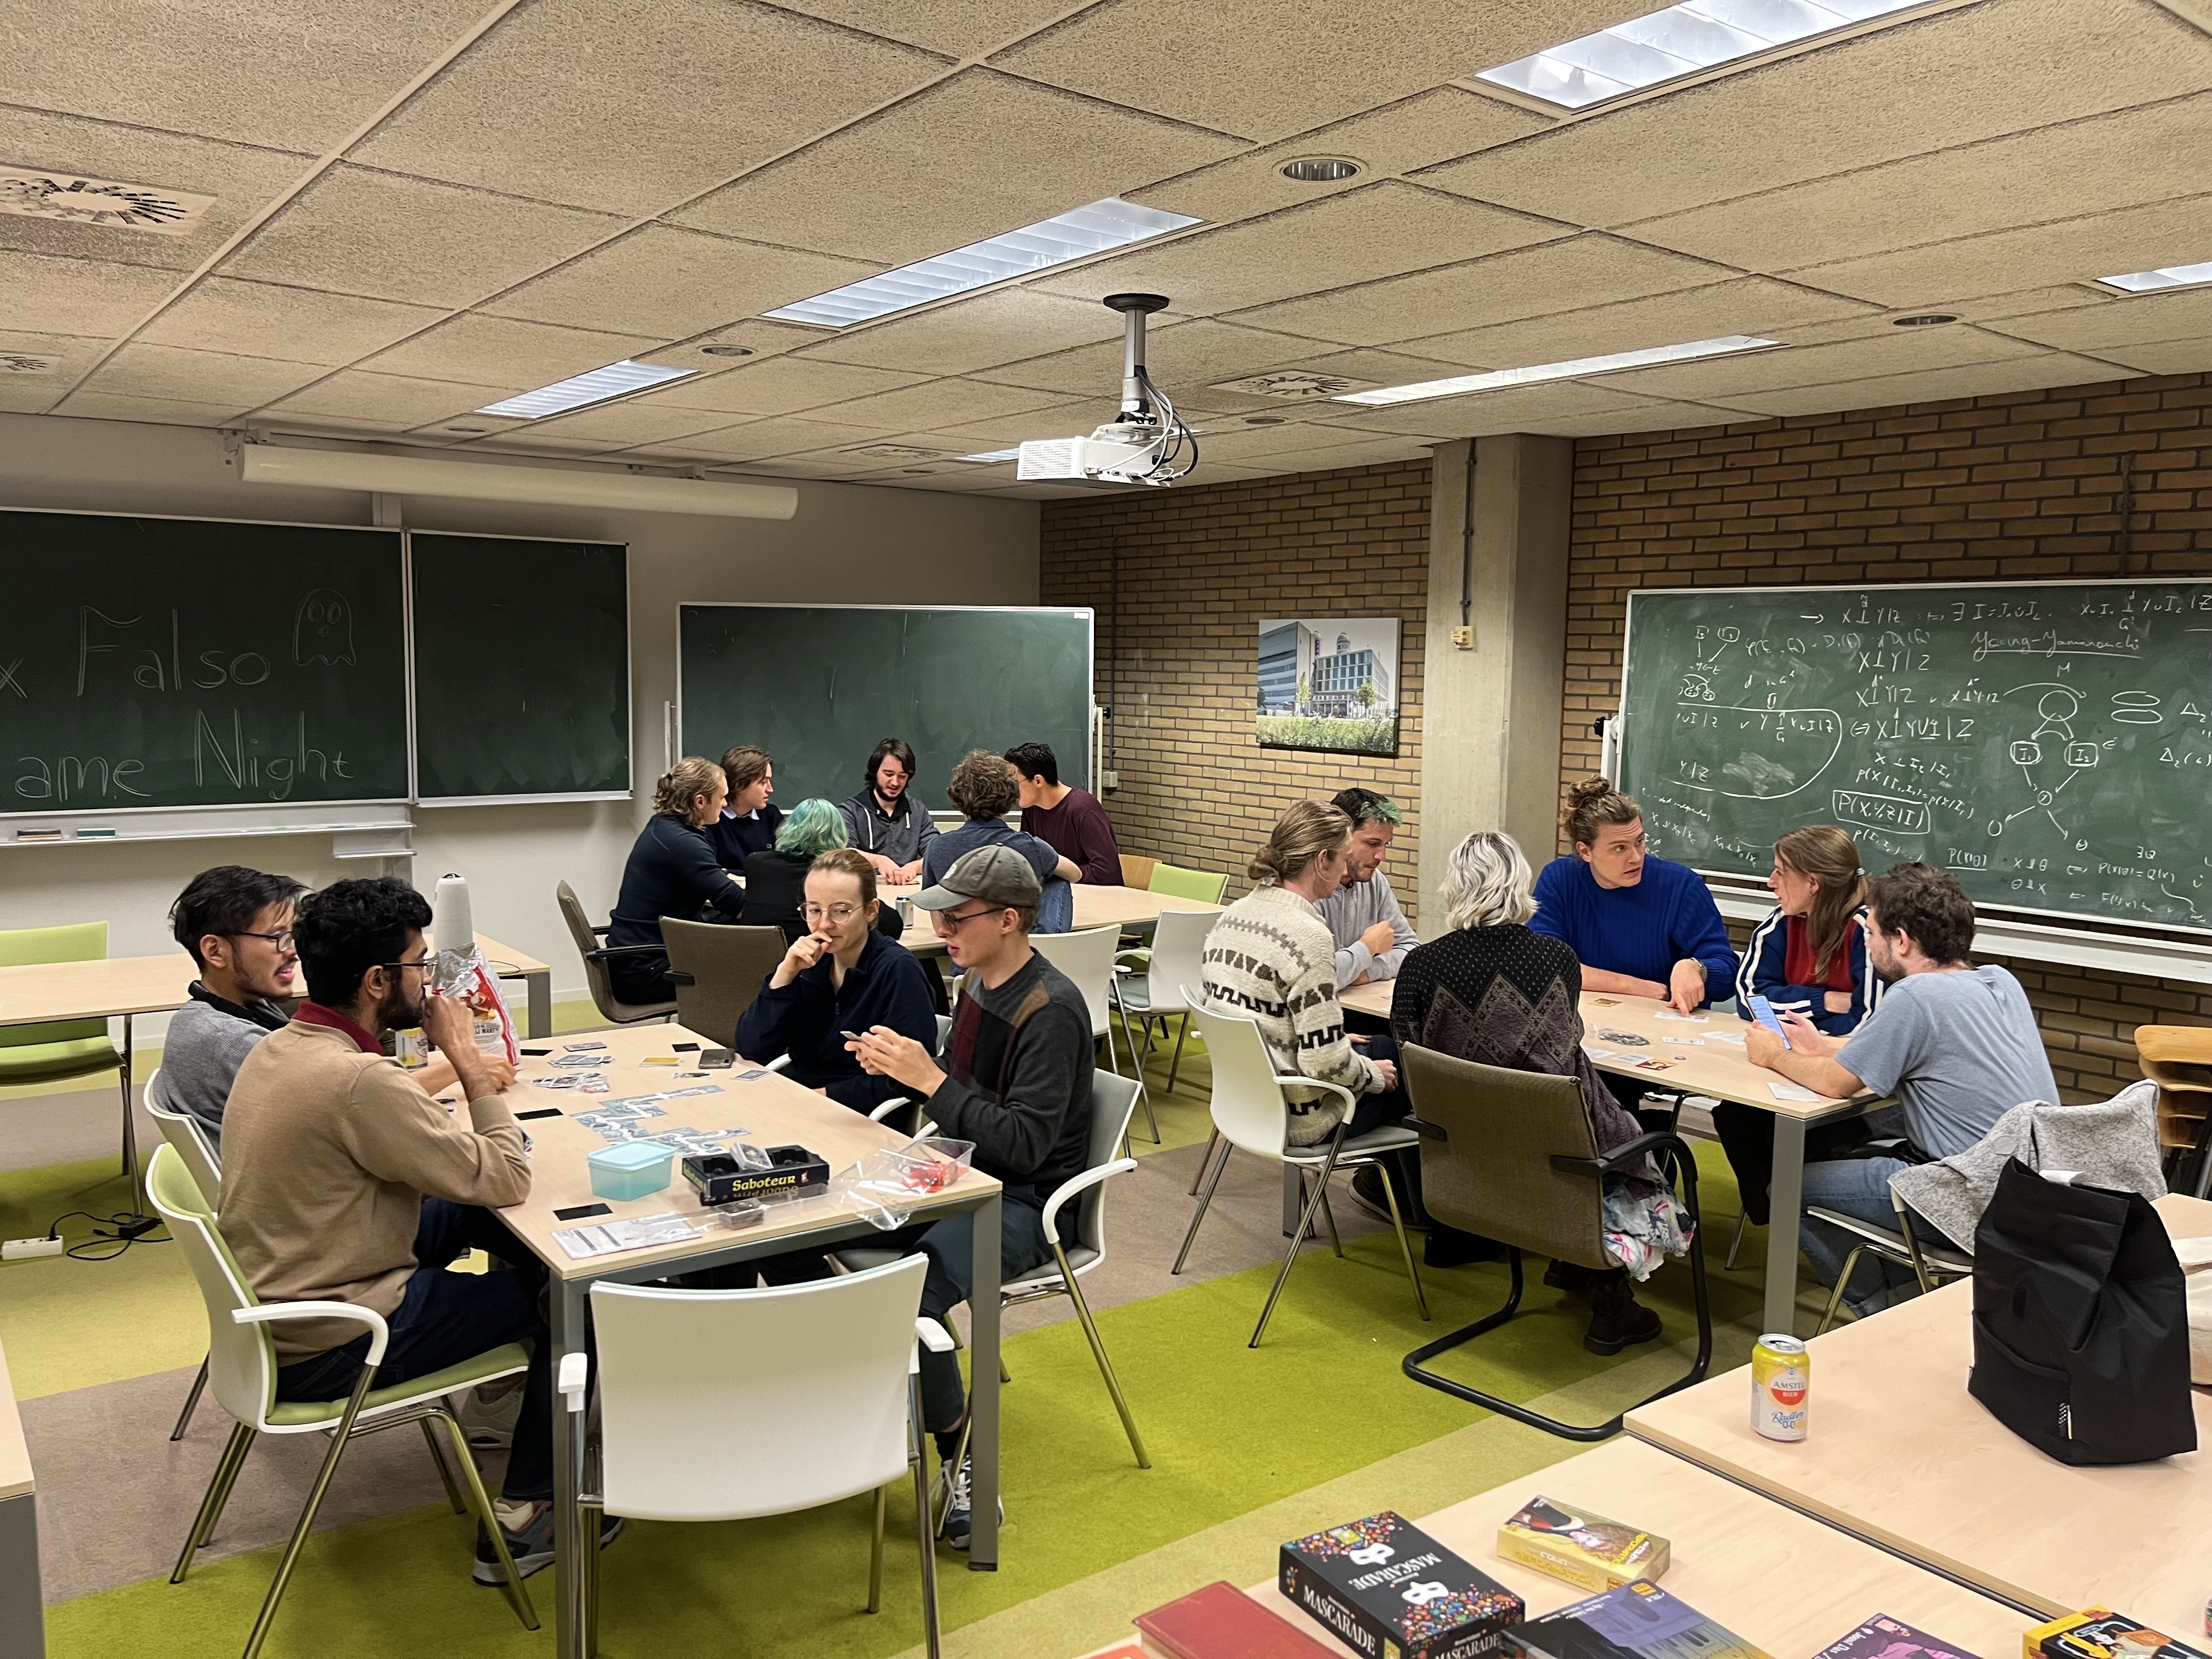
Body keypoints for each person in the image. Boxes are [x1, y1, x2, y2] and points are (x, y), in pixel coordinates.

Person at [218, 877, 616, 1582]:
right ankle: (531, 1511)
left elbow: (445, 1170)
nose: (428, 981)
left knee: (485, 1224)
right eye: (419, 966)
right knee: (575, 1300)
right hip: (341, 1334)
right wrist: (465, 1061)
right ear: (378, 981)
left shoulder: (283, 1046)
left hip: (288, 1294)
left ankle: (515, 1383)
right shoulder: (358, 1082)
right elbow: (507, 1177)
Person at [843, 846, 1096, 1549]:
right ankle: (876, 1398)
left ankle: (959, 1446)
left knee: (911, 1292)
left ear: (1009, 920)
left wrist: (930, 1083)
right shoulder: (980, 982)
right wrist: (909, 1071)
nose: (942, 931)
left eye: (957, 918)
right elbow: (966, 1105)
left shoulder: (1051, 1011)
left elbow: (1022, 1147)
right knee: (821, 1233)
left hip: (1026, 1202)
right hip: (961, 1176)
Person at [1391, 831, 1680, 1349]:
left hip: (1464, 1154)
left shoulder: (1420, 967)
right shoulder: (1557, 959)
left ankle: (1563, 1265)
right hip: (1556, 1152)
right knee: (1637, 1136)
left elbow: (1411, 1058)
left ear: (1454, 888)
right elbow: (1567, 1042)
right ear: (1521, 886)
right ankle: (1604, 1291)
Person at [1744, 862, 2058, 1316]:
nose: (1867, 944)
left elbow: (1837, 1083)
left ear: (1903, 940)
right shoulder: (1998, 981)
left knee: (1789, 1185)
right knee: (1849, 1148)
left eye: (1871, 933)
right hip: (2031, 1188)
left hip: (1964, 1194)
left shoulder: (1915, 996)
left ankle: (1883, 1308)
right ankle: (1903, 1287)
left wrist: (1772, 1055)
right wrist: (1826, 1045)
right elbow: (1916, 1046)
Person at [163, 867, 514, 1153]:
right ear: (216, 952)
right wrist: (462, 1062)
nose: (293, 952)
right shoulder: (231, 1040)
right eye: (277, 938)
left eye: (293, 937)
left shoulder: (225, 1012)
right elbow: (359, 1095)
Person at [1198, 800, 1402, 1147]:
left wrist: (1329, 1042)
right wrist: (1372, 1076)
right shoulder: (1308, 937)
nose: (1344, 873)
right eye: (1342, 859)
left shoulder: (1233, 914)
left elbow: (1246, 1014)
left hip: (1243, 1103)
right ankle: (1392, 1196)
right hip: (1299, 1116)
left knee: (1372, 1045)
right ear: (1323, 860)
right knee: (1403, 1065)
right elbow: (1327, 1067)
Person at [1714, 825, 1882, 1229]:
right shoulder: (1780, 923)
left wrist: (1805, 1024)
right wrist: (1824, 1000)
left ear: (1813, 882)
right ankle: (1781, 1220)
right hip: (1787, 1063)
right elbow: (1750, 998)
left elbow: (1867, 1020)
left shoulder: (1868, 931)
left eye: (1779, 873)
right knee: (1736, 1115)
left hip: (1846, 1077)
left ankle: (1812, 1221)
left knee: (1810, 1132)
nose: (1771, 883)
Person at [733, 848, 936, 1114]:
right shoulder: (808, 965)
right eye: (814, 910)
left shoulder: (898, 970)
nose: (824, 925)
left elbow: (910, 1079)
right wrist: (784, 976)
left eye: (841, 911)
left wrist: (824, 1097)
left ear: (871, 911)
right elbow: (751, 1046)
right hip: (802, 1102)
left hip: (865, 1117)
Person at [1530, 777, 1738, 1015]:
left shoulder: (1681, 886)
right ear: (1585, 851)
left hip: (1665, 1025)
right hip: (1584, 1019)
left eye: (1639, 842)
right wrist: (1638, 987)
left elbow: (1727, 973)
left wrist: (1697, 968)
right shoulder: (1560, 879)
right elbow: (1545, 967)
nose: (1636, 857)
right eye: (1620, 848)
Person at [605, 757, 747, 1005]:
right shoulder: (683, 843)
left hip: (640, 959)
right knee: (752, 971)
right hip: (647, 972)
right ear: (700, 801)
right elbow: (737, 905)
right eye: (722, 797)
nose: (726, 804)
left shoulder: (664, 827)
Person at [922, 751, 1079, 933]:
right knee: (1056, 879)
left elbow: (935, 910)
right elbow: (1074, 874)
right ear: (1009, 799)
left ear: (958, 797)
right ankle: (1049, 944)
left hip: (963, 947)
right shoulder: (1029, 846)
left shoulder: (938, 847)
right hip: (1014, 948)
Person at [737, 798, 902, 944]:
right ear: (838, 835)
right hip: (813, 968)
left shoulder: (756, 863)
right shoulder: (831, 876)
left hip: (752, 965)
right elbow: (892, 926)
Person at [1316, 786, 1418, 991]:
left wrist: (1369, 972)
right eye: (1372, 844)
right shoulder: (1308, 887)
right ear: (1340, 837)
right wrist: (1367, 948)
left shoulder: (1375, 882)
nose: (1382, 856)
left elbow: (1411, 950)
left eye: (1386, 844)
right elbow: (1317, 977)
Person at [1007, 741, 1121, 885]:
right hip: (1055, 895)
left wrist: (1061, 871)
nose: (1011, 790)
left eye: (1015, 783)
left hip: (1092, 897)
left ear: (1038, 781)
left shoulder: (1084, 809)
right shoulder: (1032, 808)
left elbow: (1108, 873)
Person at [841, 737, 936, 887]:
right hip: (866, 892)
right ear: (875, 772)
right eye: (889, 774)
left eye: (902, 776)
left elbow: (936, 852)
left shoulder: (917, 811)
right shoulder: (851, 811)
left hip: (906, 893)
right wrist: (879, 861)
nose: (895, 782)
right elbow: (844, 854)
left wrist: (914, 867)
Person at [702, 744, 781, 870]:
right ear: (740, 785)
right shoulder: (711, 818)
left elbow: (783, 865)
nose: (770, 789)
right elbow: (711, 871)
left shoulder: (771, 816)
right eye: (763, 782)